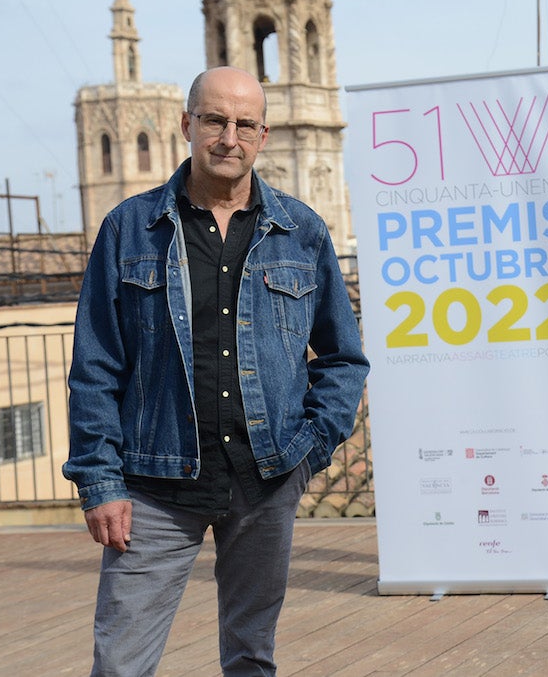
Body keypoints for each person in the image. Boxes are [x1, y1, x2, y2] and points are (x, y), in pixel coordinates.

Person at [63, 66, 370, 676]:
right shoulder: (130, 227)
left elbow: (342, 358)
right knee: (121, 662)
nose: (229, 137)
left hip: (266, 480)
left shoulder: (301, 231)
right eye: (215, 121)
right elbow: (96, 364)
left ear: (263, 135)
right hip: (154, 484)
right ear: (187, 125)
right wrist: (100, 481)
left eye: (244, 124)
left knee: (252, 658)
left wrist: (309, 449)